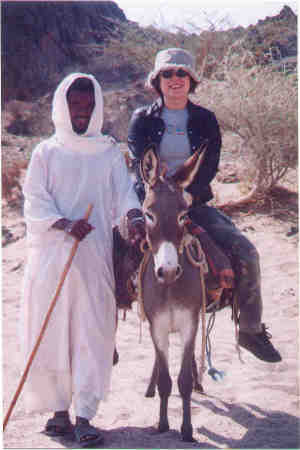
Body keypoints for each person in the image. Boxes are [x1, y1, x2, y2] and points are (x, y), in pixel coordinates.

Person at [127, 47, 282, 364]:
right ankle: (106, 331)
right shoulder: (141, 119)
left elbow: (208, 168)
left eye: (181, 73)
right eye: (167, 74)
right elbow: (139, 167)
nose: (175, 79)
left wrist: (186, 197)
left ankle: (250, 329)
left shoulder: (205, 120)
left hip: (191, 202)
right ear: (157, 80)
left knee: (247, 252)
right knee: (107, 254)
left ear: (191, 79)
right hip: (152, 204)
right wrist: (155, 200)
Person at [20, 73, 144, 447]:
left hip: (93, 257)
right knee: (53, 331)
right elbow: (34, 201)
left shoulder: (107, 151)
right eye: (76, 105)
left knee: (91, 332)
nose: (82, 113)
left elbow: (124, 194)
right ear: (63, 105)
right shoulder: (45, 152)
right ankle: (59, 411)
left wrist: (135, 216)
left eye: (88, 106)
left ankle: (86, 416)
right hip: (50, 258)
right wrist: (63, 224)